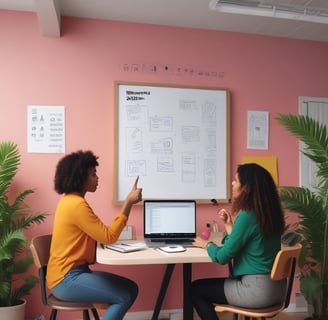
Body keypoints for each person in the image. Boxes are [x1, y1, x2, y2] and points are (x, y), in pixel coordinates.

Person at [47, 150, 142, 320]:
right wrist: (128, 202)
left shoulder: (70, 200)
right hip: (66, 278)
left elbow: (98, 234)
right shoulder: (76, 205)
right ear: (80, 178)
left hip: (74, 272)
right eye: (93, 174)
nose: (97, 178)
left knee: (131, 288)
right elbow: (109, 236)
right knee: (123, 296)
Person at [192, 163, 285, 320]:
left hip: (256, 292)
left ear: (246, 188)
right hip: (277, 291)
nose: (233, 184)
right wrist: (229, 225)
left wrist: (207, 245)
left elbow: (222, 257)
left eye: (236, 180)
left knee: (195, 289)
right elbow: (243, 244)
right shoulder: (270, 214)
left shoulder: (247, 215)